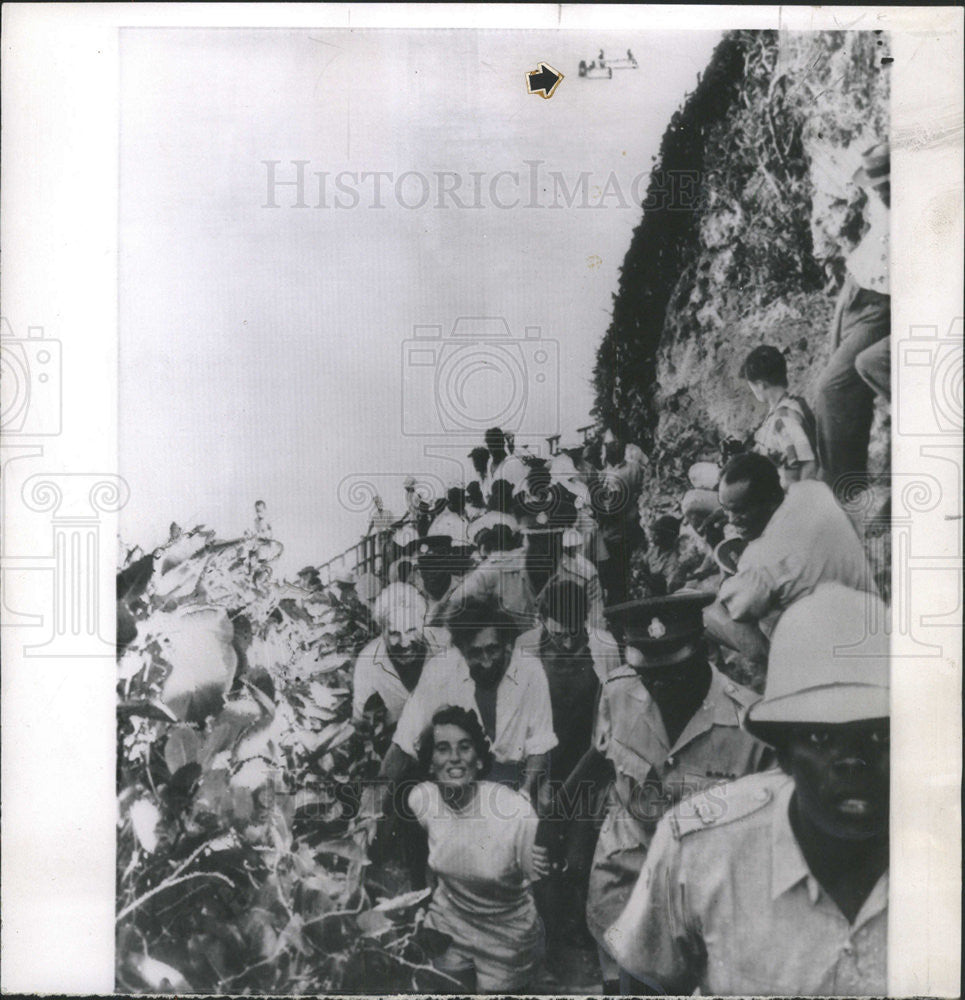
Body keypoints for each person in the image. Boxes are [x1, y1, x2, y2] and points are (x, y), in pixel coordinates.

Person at [606, 583, 889, 996]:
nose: (853, 761)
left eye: (879, 735)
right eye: (820, 738)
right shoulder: (699, 846)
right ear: (784, 755)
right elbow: (648, 979)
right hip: (634, 890)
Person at [585, 592, 773, 991]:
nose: (660, 689)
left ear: (704, 652)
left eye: (675, 674)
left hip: (706, 904)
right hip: (627, 889)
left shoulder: (751, 727)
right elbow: (602, 758)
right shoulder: (618, 692)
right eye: (649, 677)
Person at [407, 706, 551, 993]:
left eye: (465, 747)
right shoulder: (421, 800)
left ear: (480, 759)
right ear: (430, 763)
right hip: (448, 927)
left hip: (506, 941)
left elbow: (544, 890)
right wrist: (424, 912)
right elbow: (423, 857)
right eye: (443, 749)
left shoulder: (515, 813)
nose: (455, 758)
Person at [515, 579, 620, 958]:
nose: (569, 642)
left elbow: (611, 708)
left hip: (587, 763)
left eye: (575, 633)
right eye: (559, 634)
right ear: (542, 620)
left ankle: (577, 927)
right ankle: (545, 930)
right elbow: (522, 713)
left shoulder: (604, 647)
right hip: (543, 760)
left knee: (579, 858)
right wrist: (537, 779)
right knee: (539, 851)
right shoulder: (525, 648)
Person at [703, 452, 875, 667]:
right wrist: (740, 513)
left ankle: (773, 679)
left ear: (768, 501)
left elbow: (734, 607)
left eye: (739, 511)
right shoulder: (813, 491)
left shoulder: (760, 560)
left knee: (707, 613)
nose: (731, 520)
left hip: (828, 660)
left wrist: (719, 555)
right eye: (726, 509)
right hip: (869, 621)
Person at [382, 599, 557, 798]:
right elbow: (404, 743)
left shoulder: (531, 670)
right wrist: (375, 801)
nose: (486, 662)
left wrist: (524, 796)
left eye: (493, 649)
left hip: (514, 786)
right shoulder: (440, 670)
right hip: (457, 788)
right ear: (461, 649)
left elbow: (540, 743)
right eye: (475, 653)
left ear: (506, 644)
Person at [814, 140, 890, 497]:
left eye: (887, 184)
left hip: (881, 304)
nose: (881, 192)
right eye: (877, 185)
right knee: (836, 389)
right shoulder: (880, 197)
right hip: (854, 289)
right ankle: (844, 485)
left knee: (833, 388)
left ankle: (844, 492)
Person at [351, 583, 429, 730]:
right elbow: (360, 720)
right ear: (382, 630)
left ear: (422, 623)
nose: (404, 643)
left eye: (411, 630)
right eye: (394, 633)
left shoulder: (444, 648)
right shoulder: (368, 662)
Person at [741, 344, 819, 484]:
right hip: (769, 482)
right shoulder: (791, 403)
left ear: (760, 385)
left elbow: (808, 465)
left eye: (751, 385)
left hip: (779, 492)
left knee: (694, 492)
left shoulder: (784, 419)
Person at [595, 430, 645, 606]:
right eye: (611, 444)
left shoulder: (616, 474)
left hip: (618, 534)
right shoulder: (632, 468)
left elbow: (611, 511)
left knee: (619, 583)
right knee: (626, 579)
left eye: (615, 444)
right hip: (629, 530)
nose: (614, 447)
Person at [482, 427, 528, 501]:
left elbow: (521, 492)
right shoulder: (489, 463)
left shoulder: (513, 463)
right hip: (493, 508)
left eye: (496, 445)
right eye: (490, 446)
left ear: (503, 443)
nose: (493, 449)